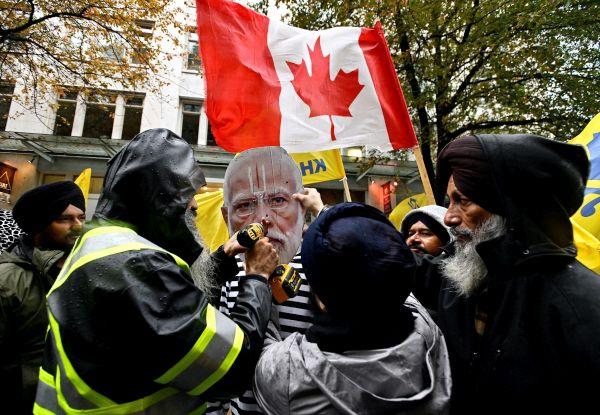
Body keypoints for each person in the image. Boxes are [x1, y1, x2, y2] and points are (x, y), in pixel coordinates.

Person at [33, 129, 279, 415]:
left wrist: (223, 257)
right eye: (188, 197)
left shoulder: (105, 246)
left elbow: (174, 307)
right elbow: (233, 367)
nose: (196, 205)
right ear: (160, 200)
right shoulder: (136, 268)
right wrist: (257, 277)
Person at [415, 134, 600, 414]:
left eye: (461, 201)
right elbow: (396, 263)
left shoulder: (581, 307)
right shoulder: (466, 280)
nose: (449, 218)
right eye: (448, 202)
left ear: (511, 208)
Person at [253, 202, 452, 414]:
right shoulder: (426, 329)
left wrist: (258, 277)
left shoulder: (290, 372)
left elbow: (261, 353)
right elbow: (381, 267)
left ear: (321, 296)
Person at [211, 146, 316, 414]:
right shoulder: (223, 272)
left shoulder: (322, 266)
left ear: (303, 208)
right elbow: (216, 364)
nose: (263, 219)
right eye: (245, 206)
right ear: (226, 217)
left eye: (278, 200)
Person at [0, 181, 85, 414]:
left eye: (81, 217)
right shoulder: (7, 280)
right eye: (64, 219)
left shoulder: (82, 269)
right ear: (39, 226)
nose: (78, 226)